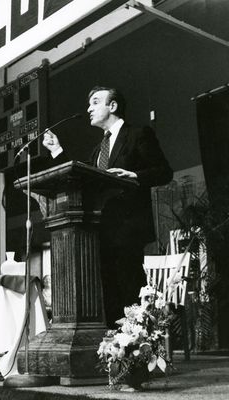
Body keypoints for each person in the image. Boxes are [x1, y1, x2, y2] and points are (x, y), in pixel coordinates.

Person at [42, 86, 173, 328]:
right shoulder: (98, 149)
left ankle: (139, 348)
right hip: (101, 230)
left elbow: (164, 172)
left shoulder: (137, 134)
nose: (88, 108)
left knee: (129, 287)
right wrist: (57, 151)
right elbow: (83, 178)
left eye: (94, 102)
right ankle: (115, 349)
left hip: (127, 228)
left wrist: (132, 174)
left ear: (112, 106)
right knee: (109, 293)